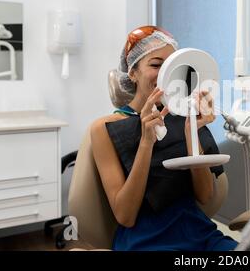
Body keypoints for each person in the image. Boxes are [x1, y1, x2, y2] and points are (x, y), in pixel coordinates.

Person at [90, 26, 238, 251]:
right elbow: (125, 216)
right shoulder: (106, 127)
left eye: (172, 66)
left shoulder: (187, 112)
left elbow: (205, 196)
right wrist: (146, 142)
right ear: (132, 72)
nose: (166, 74)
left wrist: (192, 131)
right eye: (156, 65)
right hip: (146, 240)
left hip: (199, 234)